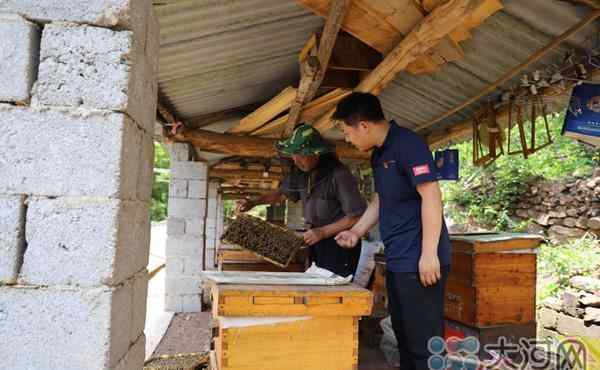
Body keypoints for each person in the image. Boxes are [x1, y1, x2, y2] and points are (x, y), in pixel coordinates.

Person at [333, 92, 451, 370]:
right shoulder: (378, 154)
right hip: (398, 258)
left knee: (425, 341)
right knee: (404, 334)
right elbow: (381, 198)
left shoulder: (407, 144)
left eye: (347, 132)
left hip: (421, 259)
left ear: (363, 125)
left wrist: (429, 253)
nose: (347, 139)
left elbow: (431, 195)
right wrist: (357, 231)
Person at [236, 123, 367, 277]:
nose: (296, 160)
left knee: (333, 293)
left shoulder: (339, 175)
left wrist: (323, 232)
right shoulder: (302, 174)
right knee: (316, 291)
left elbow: (357, 216)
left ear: (316, 153)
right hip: (316, 241)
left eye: (301, 154)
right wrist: (253, 201)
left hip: (340, 244)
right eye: (293, 154)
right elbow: (280, 194)